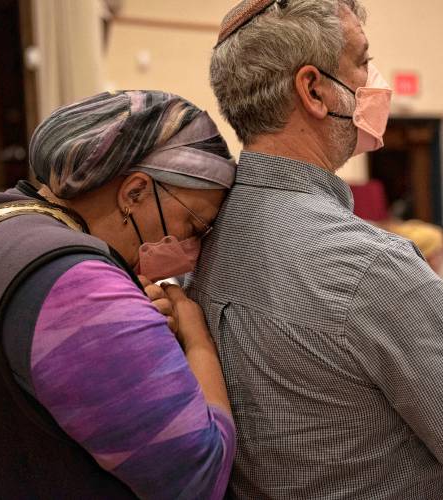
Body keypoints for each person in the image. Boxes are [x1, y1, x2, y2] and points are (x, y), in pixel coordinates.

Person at [0, 91, 237, 499]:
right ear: (135, 192)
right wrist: (197, 337)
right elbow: (198, 473)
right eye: (194, 225)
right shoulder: (77, 283)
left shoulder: (4, 225)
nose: (191, 249)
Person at [187, 0, 443, 498]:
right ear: (314, 90)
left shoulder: (208, 237)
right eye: (363, 62)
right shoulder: (368, 266)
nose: (375, 80)